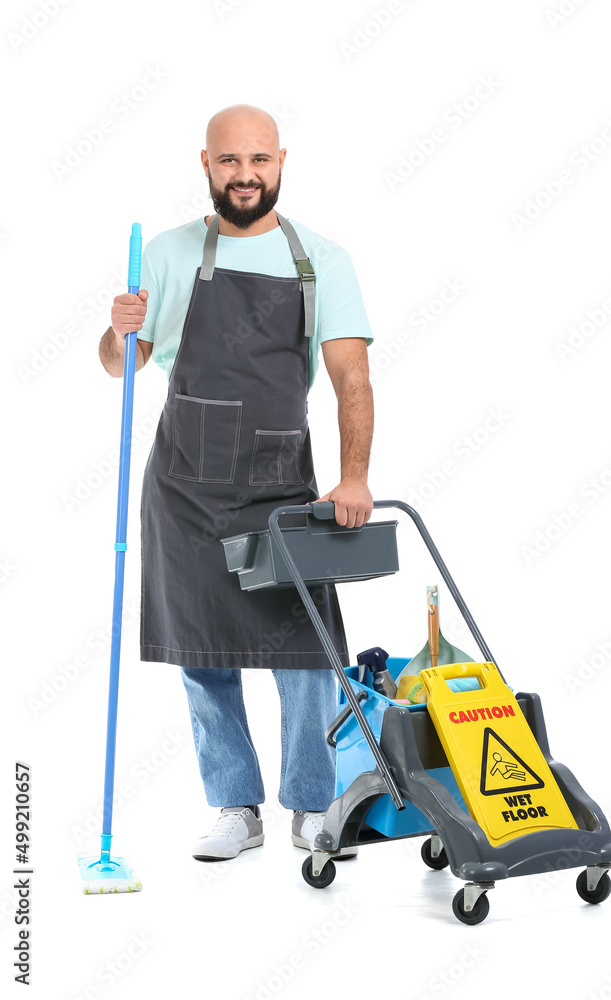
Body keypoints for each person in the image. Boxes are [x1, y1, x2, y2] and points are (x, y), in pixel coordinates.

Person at [98, 104, 375, 863]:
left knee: (308, 652)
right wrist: (117, 331)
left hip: (282, 481)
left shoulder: (321, 260)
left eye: (258, 160)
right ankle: (234, 806)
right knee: (200, 650)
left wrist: (352, 476)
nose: (245, 175)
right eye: (229, 161)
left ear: (281, 160)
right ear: (206, 164)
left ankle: (312, 806)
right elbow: (122, 365)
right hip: (184, 483)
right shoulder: (167, 252)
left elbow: (350, 374)